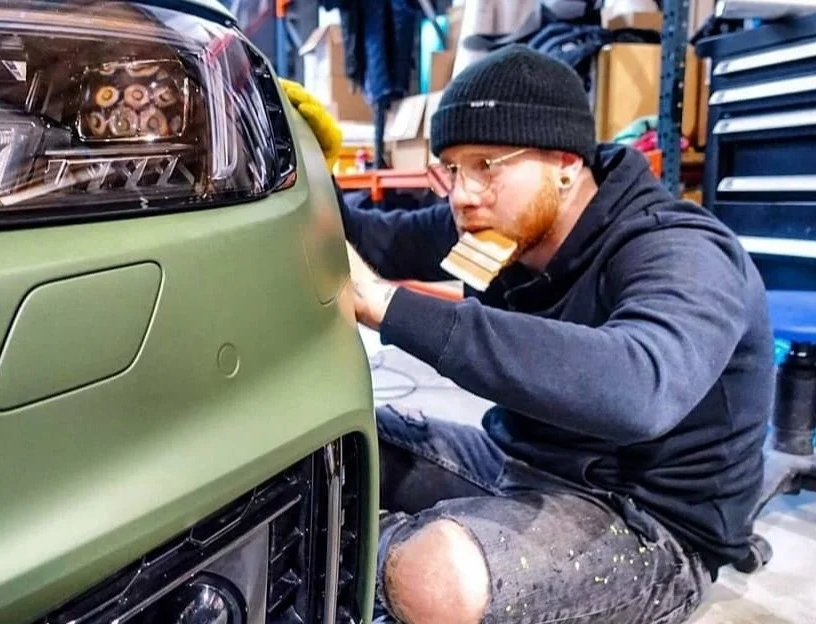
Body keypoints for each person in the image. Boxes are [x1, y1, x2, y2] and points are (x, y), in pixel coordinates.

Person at [283, 44, 775, 624]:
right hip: (512, 463)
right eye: (453, 168)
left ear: (565, 164)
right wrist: (304, 154)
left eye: (487, 164)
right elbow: (372, 239)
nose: (463, 194)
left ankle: (367, 561)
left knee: (438, 578)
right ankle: (378, 555)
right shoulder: (497, 224)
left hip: (649, 522)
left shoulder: (680, 249)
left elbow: (639, 386)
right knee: (323, 439)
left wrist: (390, 306)